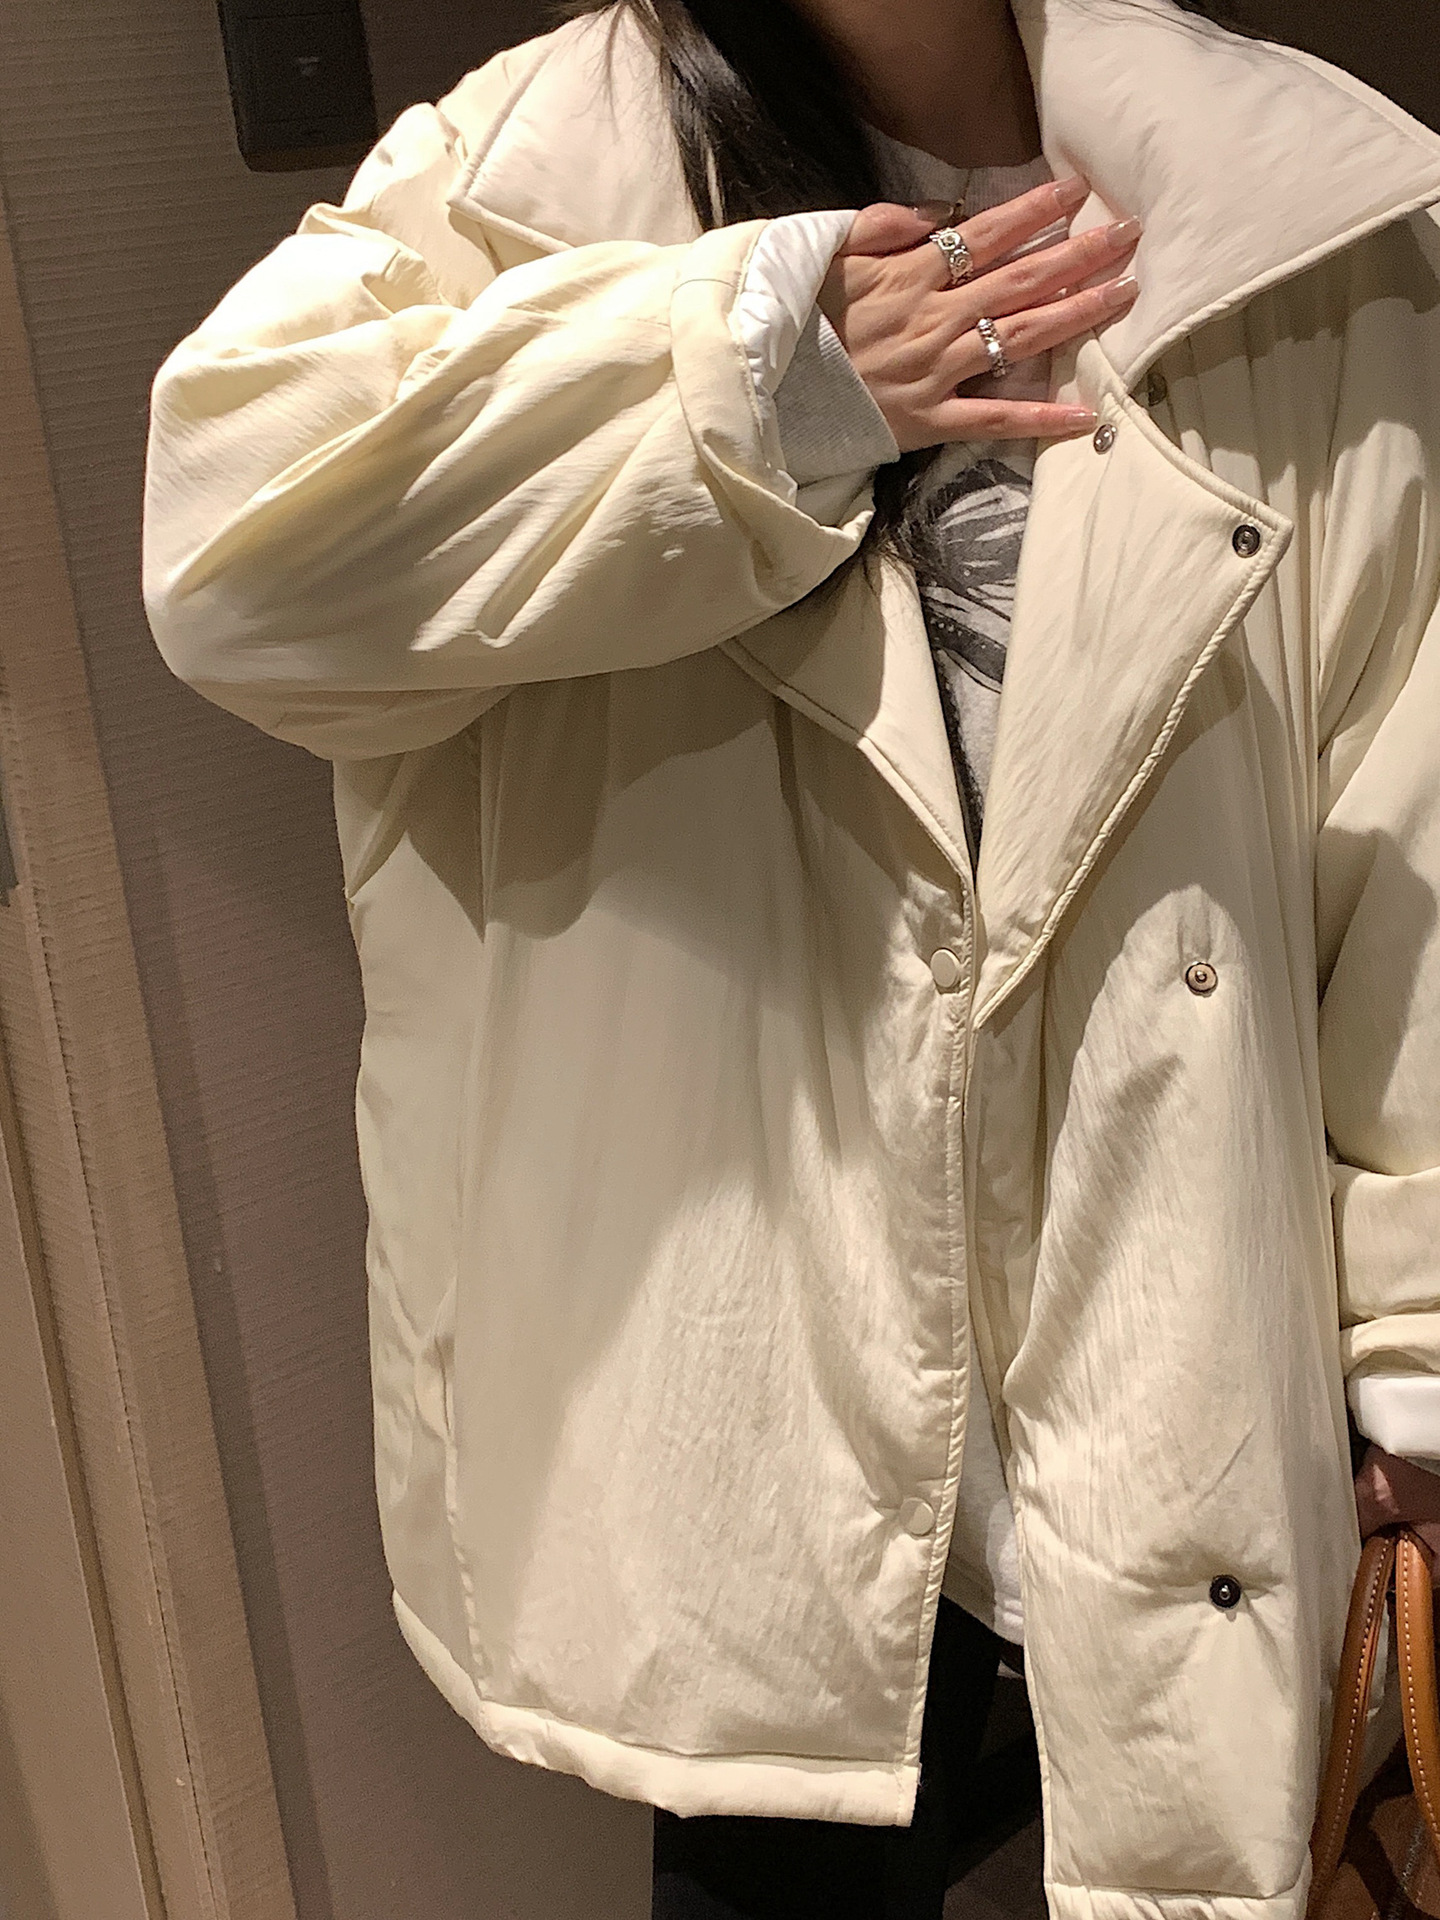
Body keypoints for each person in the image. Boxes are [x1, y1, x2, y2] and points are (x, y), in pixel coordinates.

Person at [142, 0, 1440, 1915]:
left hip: (1198, 1378)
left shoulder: (1304, 208)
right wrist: (752, 390)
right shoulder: (527, 177)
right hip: (761, 1420)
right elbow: (233, 564)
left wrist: (1413, 1350)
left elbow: (1406, 824)